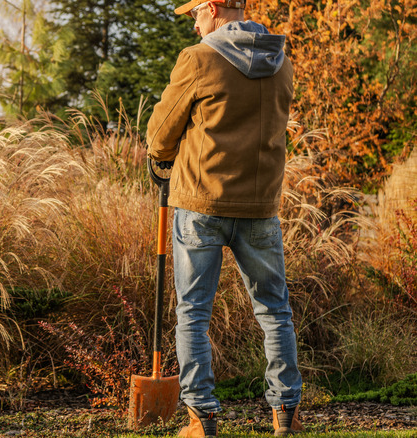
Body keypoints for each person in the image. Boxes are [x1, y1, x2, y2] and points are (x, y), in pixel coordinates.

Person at [145, 0, 303, 436]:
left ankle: (202, 417)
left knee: (193, 313)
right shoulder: (281, 62)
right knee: (274, 311)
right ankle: (285, 411)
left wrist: (160, 158)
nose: (195, 26)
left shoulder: (199, 59)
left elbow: (161, 133)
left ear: (213, 9)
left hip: (202, 205)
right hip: (260, 208)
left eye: (195, 15)